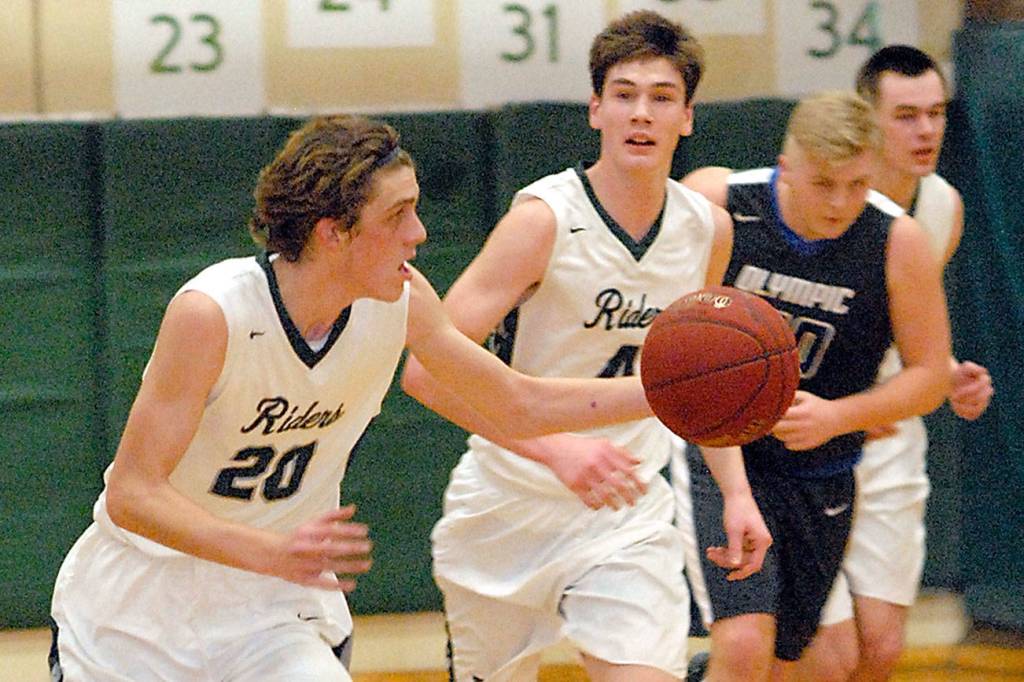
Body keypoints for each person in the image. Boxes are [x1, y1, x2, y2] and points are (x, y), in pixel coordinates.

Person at [48, 115, 659, 682]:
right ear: (334, 232)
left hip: (269, 615)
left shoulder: (402, 302)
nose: (419, 234)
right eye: (398, 215)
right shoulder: (213, 314)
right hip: (139, 614)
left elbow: (518, 402)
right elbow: (132, 494)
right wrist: (269, 550)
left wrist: (667, 392)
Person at [401, 11, 732, 681]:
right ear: (596, 109)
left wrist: (738, 497)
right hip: (509, 505)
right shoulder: (542, 221)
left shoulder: (708, 230)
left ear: (687, 117)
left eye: (662, 97)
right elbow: (426, 374)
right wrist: (556, 449)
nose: (641, 113)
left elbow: (706, 388)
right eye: (624, 94)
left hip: (628, 514)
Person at [674, 90, 952, 681]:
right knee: (744, 645)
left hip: (821, 473)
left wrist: (837, 416)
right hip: (724, 457)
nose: (840, 202)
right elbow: (672, 333)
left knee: (792, 664)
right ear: (787, 166)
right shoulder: (721, 203)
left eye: (857, 185)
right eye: (824, 184)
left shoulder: (896, 240)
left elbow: (930, 377)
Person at [794, 46, 994, 682]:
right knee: (824, 658)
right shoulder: (816, 197)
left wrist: (948, 371)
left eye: (936, 113)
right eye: (907, 116)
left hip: (887, 437)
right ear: (868, 119)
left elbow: (909, 333)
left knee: (880, 650)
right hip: (807, 431)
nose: (926, 130)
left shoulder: (942, 207)